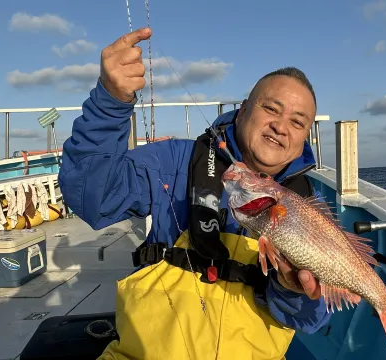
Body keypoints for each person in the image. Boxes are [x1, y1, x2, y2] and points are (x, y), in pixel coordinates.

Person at [59, 27, 338, 359]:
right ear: (245, 108)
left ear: (305, 136)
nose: (281, 126)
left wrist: (293, 291)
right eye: (272, 109)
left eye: (297, 122)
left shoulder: (310, 208)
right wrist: (109, 102)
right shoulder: (178, 160)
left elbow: (309, 320)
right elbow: (94, 199)